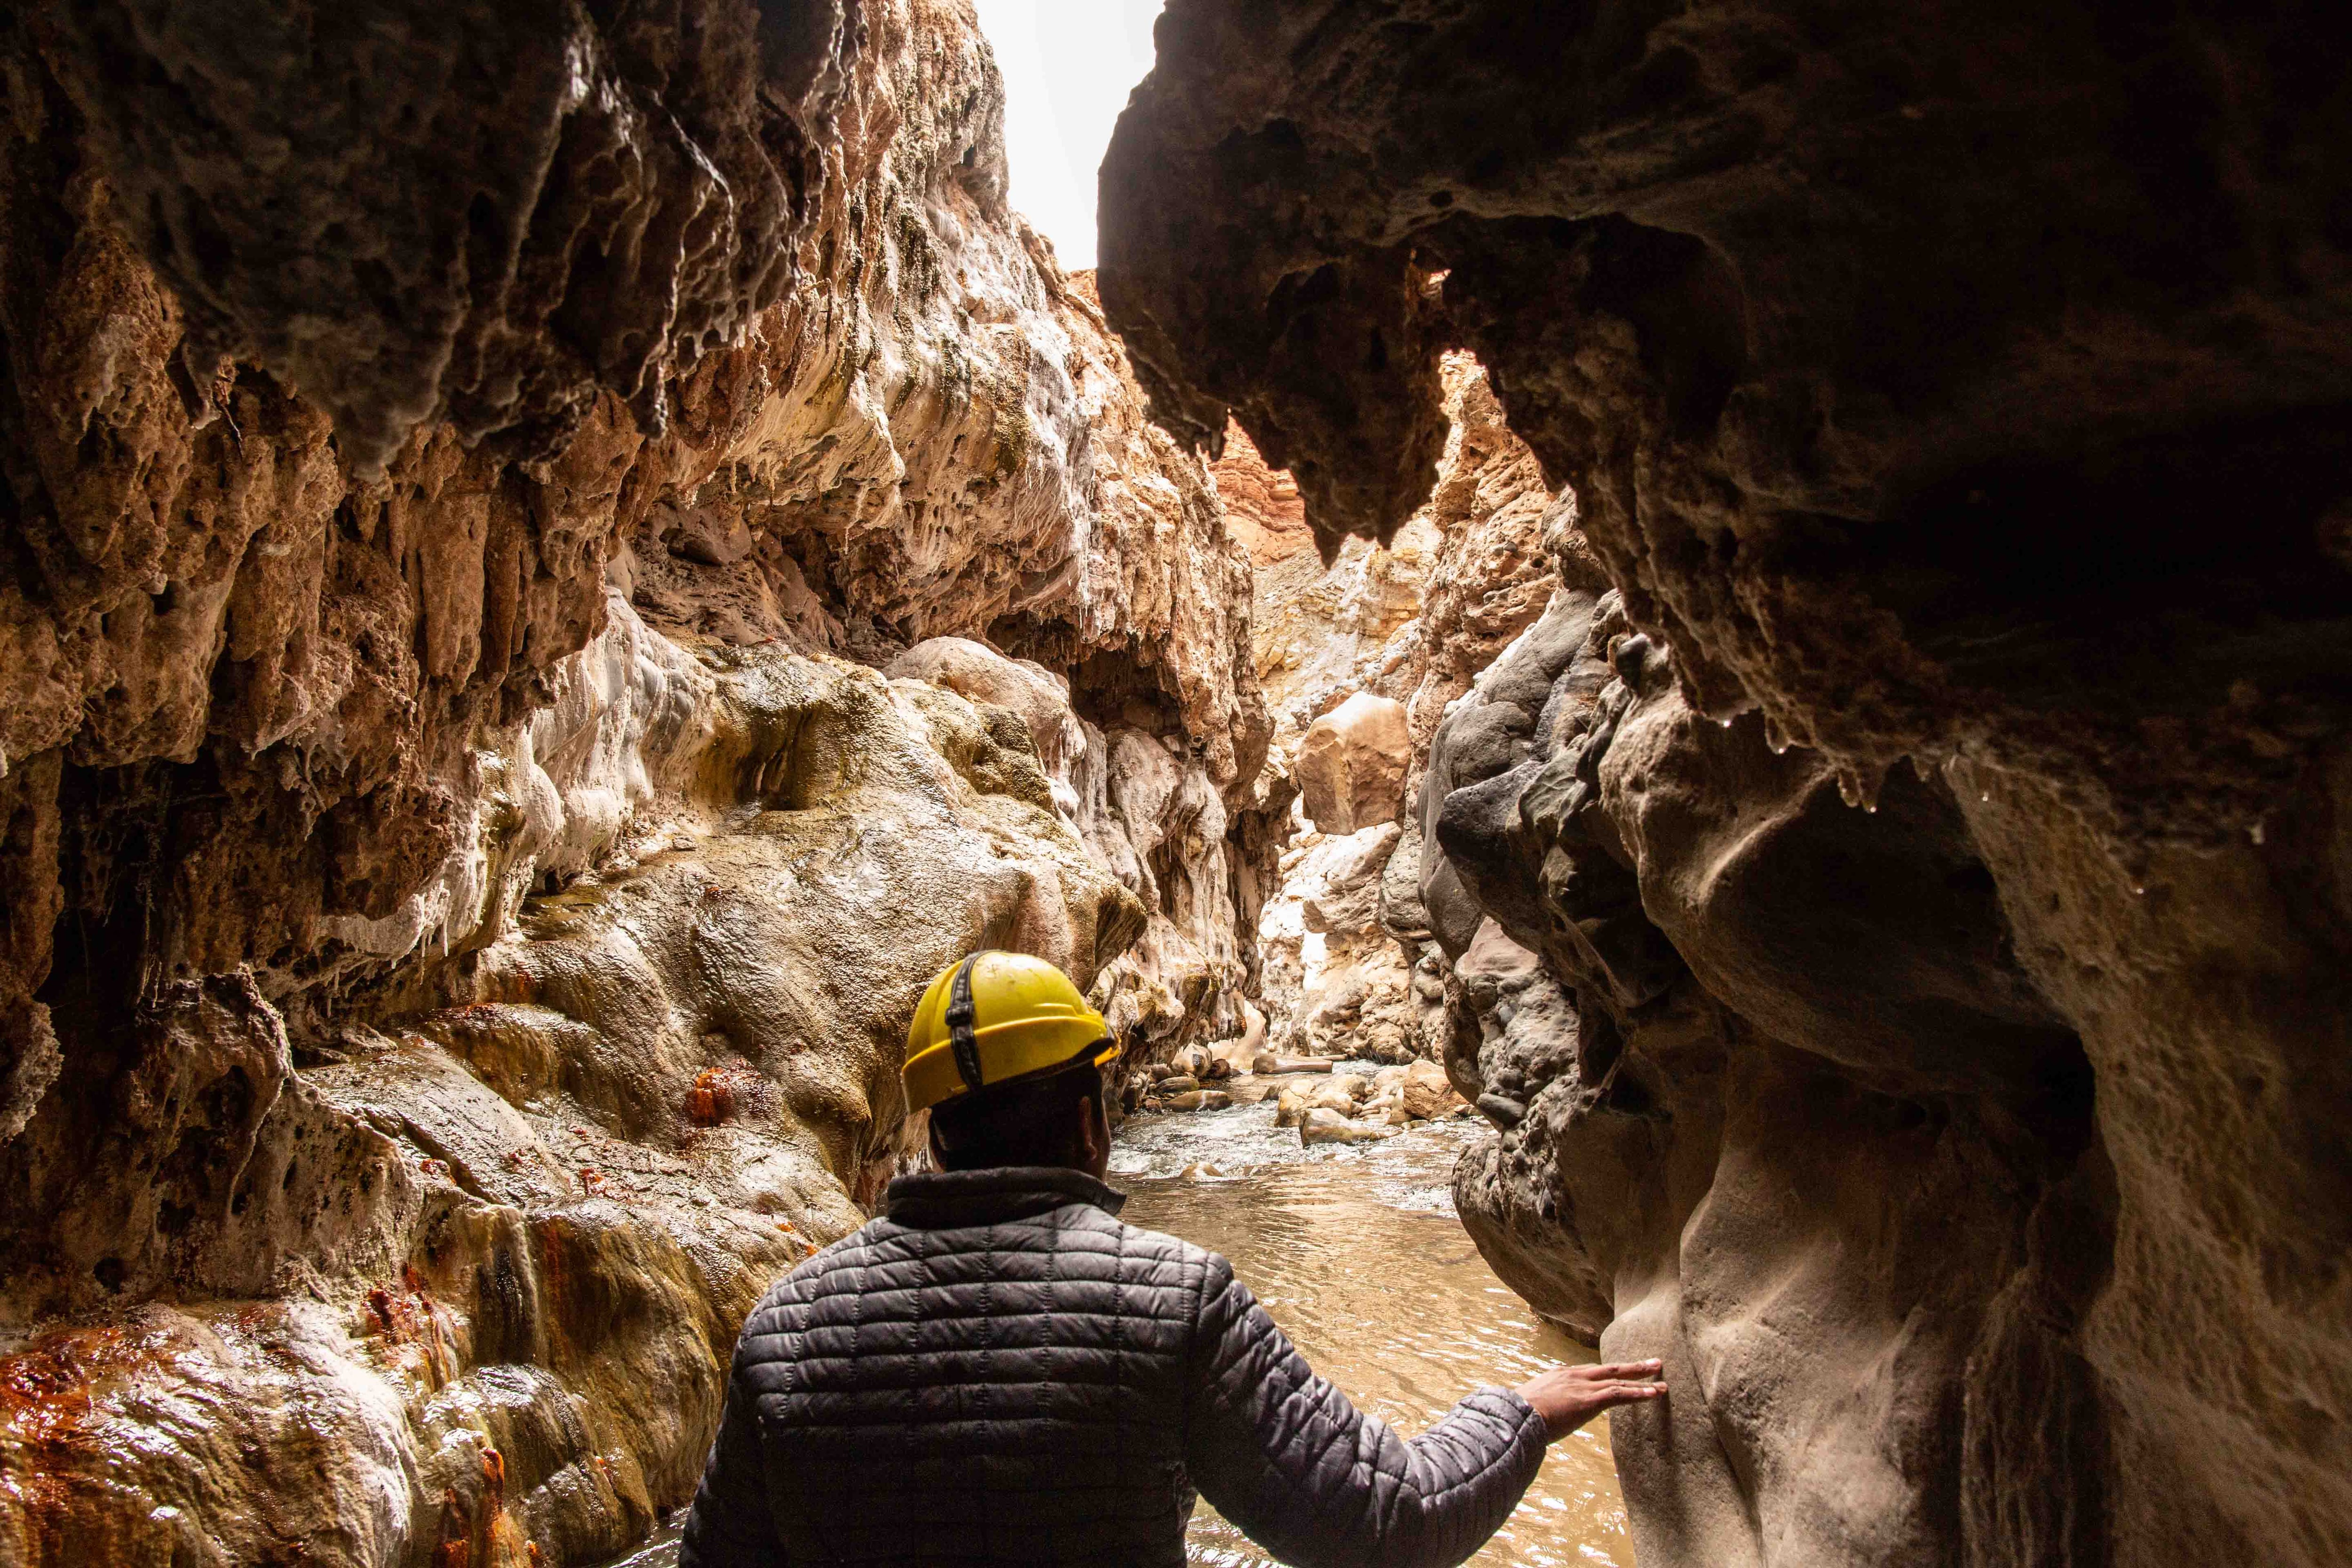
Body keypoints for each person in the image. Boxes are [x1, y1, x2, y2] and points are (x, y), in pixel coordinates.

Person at [679, 950, 1664, 1568]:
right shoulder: (1172, 1302)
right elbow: (1387, 1521)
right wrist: (1520, 1412)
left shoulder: (784, 1327)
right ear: (1091, 1121)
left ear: (934, 1135)